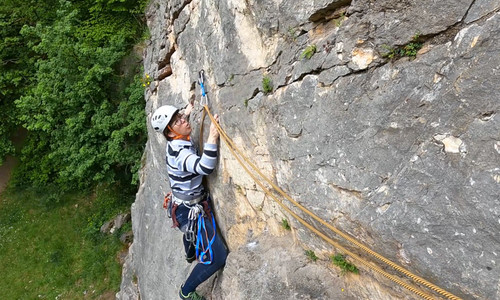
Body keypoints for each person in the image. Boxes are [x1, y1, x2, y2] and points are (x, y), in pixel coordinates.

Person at [151, 103, 227, 300]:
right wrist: (212, 137)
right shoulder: (180, 152)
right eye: (178, 121)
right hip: (189, 210)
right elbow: (205, 167)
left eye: (181, 117)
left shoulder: (176, 139)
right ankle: (186, 291)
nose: (184, 120)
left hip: (185, 204)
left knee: (193, 233)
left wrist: (187, 109)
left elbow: (179, 118)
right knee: (217, 257)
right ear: (170, 132)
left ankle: (189, 252)